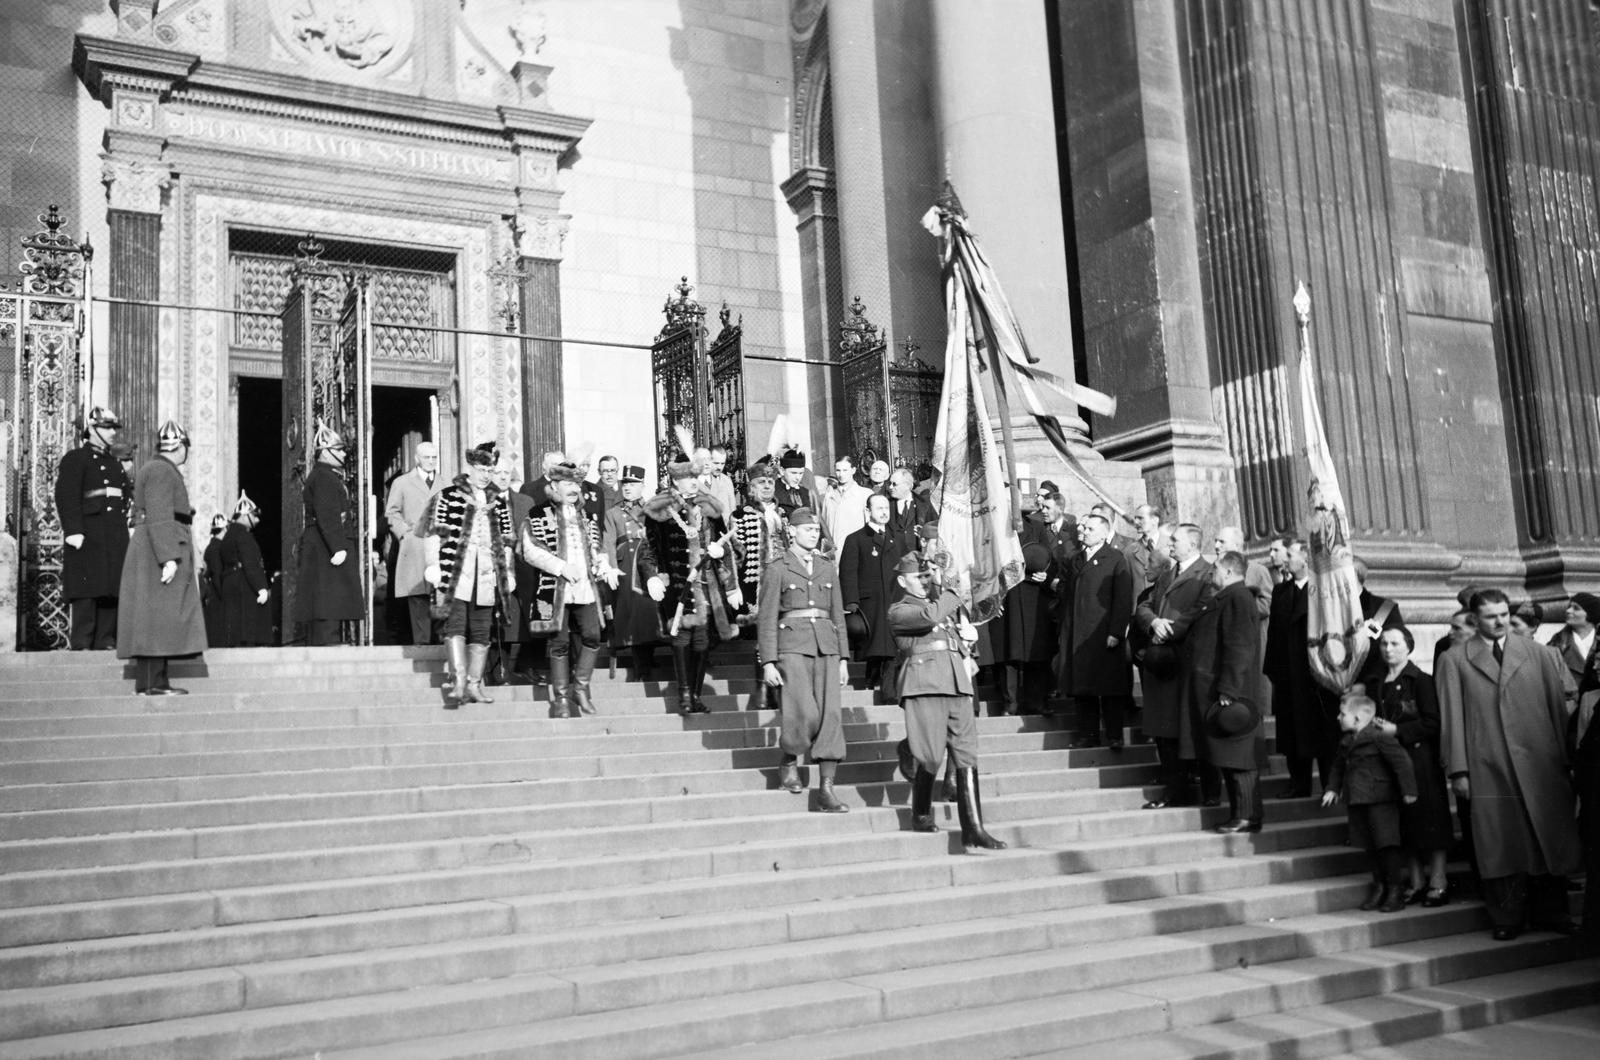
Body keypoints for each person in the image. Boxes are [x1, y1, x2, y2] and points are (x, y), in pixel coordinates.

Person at [1436, 588, 1581, 940]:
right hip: (1488, 764)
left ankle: (1552, 912)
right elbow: (1451, 719)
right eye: (1490, 616)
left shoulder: (1541, 655)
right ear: (1475, 619)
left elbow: (1557, 711)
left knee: (1546, 837)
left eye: (1503, 614)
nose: (1500, 621)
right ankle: (1507, 918)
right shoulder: (1454, 660)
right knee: (1499, 844)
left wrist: (1566, 760)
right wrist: (1459, 770)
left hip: (1540, 765)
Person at [888, 552, 1005, 851]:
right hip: (923, 683)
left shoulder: (941, 605)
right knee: (929, 756)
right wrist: (954, 591)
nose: (926, 581)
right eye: (919, 577)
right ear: (903, 581)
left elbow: (953, 635)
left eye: (928, 576)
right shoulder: (899, 610)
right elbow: (929, 618)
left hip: (956, 682)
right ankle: (922, 812)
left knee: (967, 753)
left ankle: (974, 827)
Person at [758, 507, 850, 812]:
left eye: (816, 530)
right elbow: (767, 617)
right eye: (808, 529)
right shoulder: (777, 568)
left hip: (826, 645)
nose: (815, 533)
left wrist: (844, 658)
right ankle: (789, 758)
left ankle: (826, 787)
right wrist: (768, 661)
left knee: (830, 716)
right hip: (792, 645)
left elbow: (838, 613)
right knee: (804, 712)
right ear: (792, 532)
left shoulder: (826, 568)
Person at [637, 453, 741, 714]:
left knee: (703, 638)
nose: (694, 482)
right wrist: (650, 575)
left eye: (696, 476)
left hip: (708, 584)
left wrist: (724, 560)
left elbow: (730, 546)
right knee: (682, 634)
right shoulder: (659, 507)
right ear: (675, 479)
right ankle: (684, 695)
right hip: (677, 583)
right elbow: (648, 547)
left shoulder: (710, 507)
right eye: (688, 477)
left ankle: (695, 695)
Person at [521, 460, 618, 718]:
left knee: (592, 636)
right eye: (568, 484)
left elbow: (596, 549)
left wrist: (602, 564)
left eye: (576, 483)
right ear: (554, 486)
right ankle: (562, 699)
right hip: (556, 588)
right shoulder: (537, 513)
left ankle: (581, 689)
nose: (574, 489)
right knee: (560, 642)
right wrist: (561, 567)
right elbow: (530, 551)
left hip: (586, 588)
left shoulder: (585, 515)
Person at [1363, 626, 1452, 905]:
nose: (1388, 649)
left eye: (1395, 643)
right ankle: (1415, 880)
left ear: (1408, 647)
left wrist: (1397, 731)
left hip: (1420, 762)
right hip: (1389, 763)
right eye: (1384, 644)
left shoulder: (1421, 680)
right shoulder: (1375, 682)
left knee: (1431, 822)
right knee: (1405, 825)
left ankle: (1438, 880)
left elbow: (1432, 723)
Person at [116, 419, 207, 695]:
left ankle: (152, 681)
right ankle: (154, 682)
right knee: (158, 615)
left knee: (156, 615)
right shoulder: (160, 471)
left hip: (160, 544)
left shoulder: (157, 469)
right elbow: (158, 514)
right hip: (161, 547)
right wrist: (168, 557)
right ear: (179, 446)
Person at [424, 442, 515, 708]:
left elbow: (508, 541)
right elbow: (432, 533)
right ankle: (459, 681)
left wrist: (506, 571)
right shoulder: (449, 495)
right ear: (470, 468)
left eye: (489, 469)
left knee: (481, 630)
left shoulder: (498, 502)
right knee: (455, 625)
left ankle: (475, 684)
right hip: (456, 572)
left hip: (486, 575)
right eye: (481, 469)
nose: (485, 475)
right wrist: (433, 564)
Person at [1132, 524, 1215, 805]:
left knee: (1194, 731)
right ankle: (1173, 791)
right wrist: (1154, 622)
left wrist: (1171, 629)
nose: (1170, 546)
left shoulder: (1208, 573)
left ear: (1192, 544)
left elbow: (1203, 608)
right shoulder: (1168, 574)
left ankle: (1209, 794)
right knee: (1165, 733)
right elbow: (1145, 605)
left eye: (1175, 541)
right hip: (1163, 665)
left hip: (1189, 664)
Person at [1185, 551, 1265, 832]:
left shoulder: (1238, 598)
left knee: (1238, 755)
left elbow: (1239, 646)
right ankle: (1242, 814)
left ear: (1229, 572)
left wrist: (1229, 688)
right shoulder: (1228, 597)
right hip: (1222, 689)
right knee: (1229, 755)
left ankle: (1246, 816)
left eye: (1216, 569)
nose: (1212, 573)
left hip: (1233, 693)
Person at [1322, 694, 1419, 913]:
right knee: (1370, 846)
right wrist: (1332, 788)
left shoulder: (1379, 737)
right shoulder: (1347, 740)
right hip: (1358, 799)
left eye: (1343, 714)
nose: (1338, 717)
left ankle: (1395, 891)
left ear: (1357, 719)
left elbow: (1401, 762)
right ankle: (1380, 887)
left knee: (1386, 845)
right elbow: (1338, 766)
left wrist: (1409, 790)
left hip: (1380, 799)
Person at [54, 406, 131, 649]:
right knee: (88, 593)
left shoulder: (114, 463)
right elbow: (66, 496)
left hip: (114, 536)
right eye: (107, 428)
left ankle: (105, 642)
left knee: (110, 592)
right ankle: (82, 645)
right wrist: (73, 529)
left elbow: (124, 499)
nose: (112, 433)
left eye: (113, 428)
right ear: (92, 429)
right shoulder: (76, 459)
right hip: (89, 535)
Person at [1059, 513, 1134, 749]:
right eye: (1083, 528)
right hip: (1079, 634)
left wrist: (1116, 631)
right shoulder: (1076, 559)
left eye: (1090, 529)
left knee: (1109, 688)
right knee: (1083, 688)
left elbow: (1123, 600)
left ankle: (1114, 735)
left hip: (1104, 635)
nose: (1084, 532)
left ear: (1103, 532)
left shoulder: (1115, 558)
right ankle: (1088, 734)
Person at [1264, 539, 1331, 796]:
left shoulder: (1321, 590)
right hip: (1288, 676)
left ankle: (1329, 785)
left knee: (1320, 735)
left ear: (1305, 559)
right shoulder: (1281, 591)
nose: (1286, 559)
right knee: (1292, 734)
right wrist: (1273, 670)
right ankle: (1299, 784)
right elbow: (1274, 633)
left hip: (1314, 677)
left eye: (1290, 554)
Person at [295, 421, 362, 646]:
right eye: (339, 449)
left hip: (325, 544)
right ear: (325, 452)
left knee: (329, 598)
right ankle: (328, 645)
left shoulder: (326, 475)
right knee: (328, 600)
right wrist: (338, 546)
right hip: (326, 546)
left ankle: (328, 643)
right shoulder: (324, 477)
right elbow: (328, 514)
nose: (344, 454)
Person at [839, 492, 903, 703]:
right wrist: (851, 601)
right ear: (868, 511)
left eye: (886, 508)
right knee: (876, 645)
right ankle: (872, 681)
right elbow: (848, 572)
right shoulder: (856, 539)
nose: (885, 512)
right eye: (879, 508)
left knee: (889, 648)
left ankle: (888, 692)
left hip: (893, 600)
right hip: (869, 604)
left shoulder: (896, 538)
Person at [602, 464, 663, 681]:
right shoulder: (612, 513)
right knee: (634, 615)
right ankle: (641, 666)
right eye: (625, 483)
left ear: (642, 486)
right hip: (625, 567)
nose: (628, 488)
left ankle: (648, 658)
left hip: (647, 564)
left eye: (633, 484)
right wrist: (610, 567)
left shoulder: (652, 510)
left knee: (648, 612)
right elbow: (608, 542)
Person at [384, 440, 441, 645]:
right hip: (414, 545)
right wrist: (404, 534)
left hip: (440, 546)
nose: (431, 461)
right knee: (417, 595)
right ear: (417, 459)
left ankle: (441, 642)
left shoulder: (445, 483)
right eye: (427, 457)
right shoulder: (402, 482)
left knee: (439, 593)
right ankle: (422, 642)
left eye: (434, 457)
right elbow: (391, 513)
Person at [990, 538, 1055, 716]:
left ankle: (1036, 702)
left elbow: (1051, 570)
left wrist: (1047, 578)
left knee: (1037, 655)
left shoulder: (1037, 534)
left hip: (1036, 604)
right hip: (1008, 602)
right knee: (1009, 655)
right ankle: (1010, 703)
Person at [217, 491, 273, 647]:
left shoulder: (228, 536)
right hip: (244, 583)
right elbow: (251, 564)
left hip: (230, 581)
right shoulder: (243, 535)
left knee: (234, 629)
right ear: (243, 515)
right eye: (253, 515)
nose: (257, 519)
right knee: (247, 629)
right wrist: (261, 587)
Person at [821, 454, 872, 555]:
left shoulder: (865, 494)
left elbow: (870, 527)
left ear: (853, 470)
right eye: (838, 470)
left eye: (845, 470)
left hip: (856, 551)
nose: (841, 474)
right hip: (833, 552)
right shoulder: (829, 496)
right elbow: (824, 525)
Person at [1124, 504, 1167, 599]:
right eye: (1135, 518)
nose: (1135, 522)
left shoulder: (1171, 545)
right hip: (1140, 608)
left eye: (1140, 518)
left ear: (1155, 520)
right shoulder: (1129, 551)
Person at [885, 468, 934, 549]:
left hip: (918, 555)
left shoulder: (925, 505)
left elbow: (934, 531)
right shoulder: (885, 504)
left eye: (894, 484)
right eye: (889, 483)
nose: (890, 487)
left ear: (907, 485)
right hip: (894, 556)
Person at [201, 513, 228, 647]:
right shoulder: (217, 548)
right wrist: (224, 595)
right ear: (223, 529)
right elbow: (217, 574)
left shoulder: (211, 547)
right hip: (217, 594)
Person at [773, 445, 817, 517]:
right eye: (793, 473)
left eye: (801, 473)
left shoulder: (805, 492)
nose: (798, 478)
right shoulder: (773, 490)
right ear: (782, 471)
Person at [699, 445, 737, 518]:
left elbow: (732, 508)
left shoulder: (727, 480)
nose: (719, 467)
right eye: (716, 463)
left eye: (722, 463)